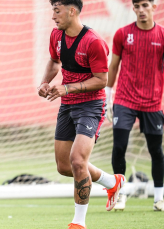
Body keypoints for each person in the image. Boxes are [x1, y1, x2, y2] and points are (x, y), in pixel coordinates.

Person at [38, 0, 125, 228]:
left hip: (91, 107)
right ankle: (112, 182)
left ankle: (79, 223)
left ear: (72, 11)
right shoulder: (56, 35)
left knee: (78, 161)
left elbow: (101, 80)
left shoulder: (93, 42)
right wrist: (45, 82)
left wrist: (66, 88)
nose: (53, 16)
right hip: (67, 105)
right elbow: (55, 62)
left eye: (57, 11)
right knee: (64, 167)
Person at [106, 0, 164, 211]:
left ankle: (159, 197)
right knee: (119, 146)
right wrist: (108, 96)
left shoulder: (162, 35)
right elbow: (113, 66)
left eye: (145, 5)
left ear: (154, 7)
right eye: (137, 6)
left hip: (153, 103)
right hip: (125, 100)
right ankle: (119, 194)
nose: (141, 10)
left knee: (156, 150)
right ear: (133, 8)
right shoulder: (122, 34)